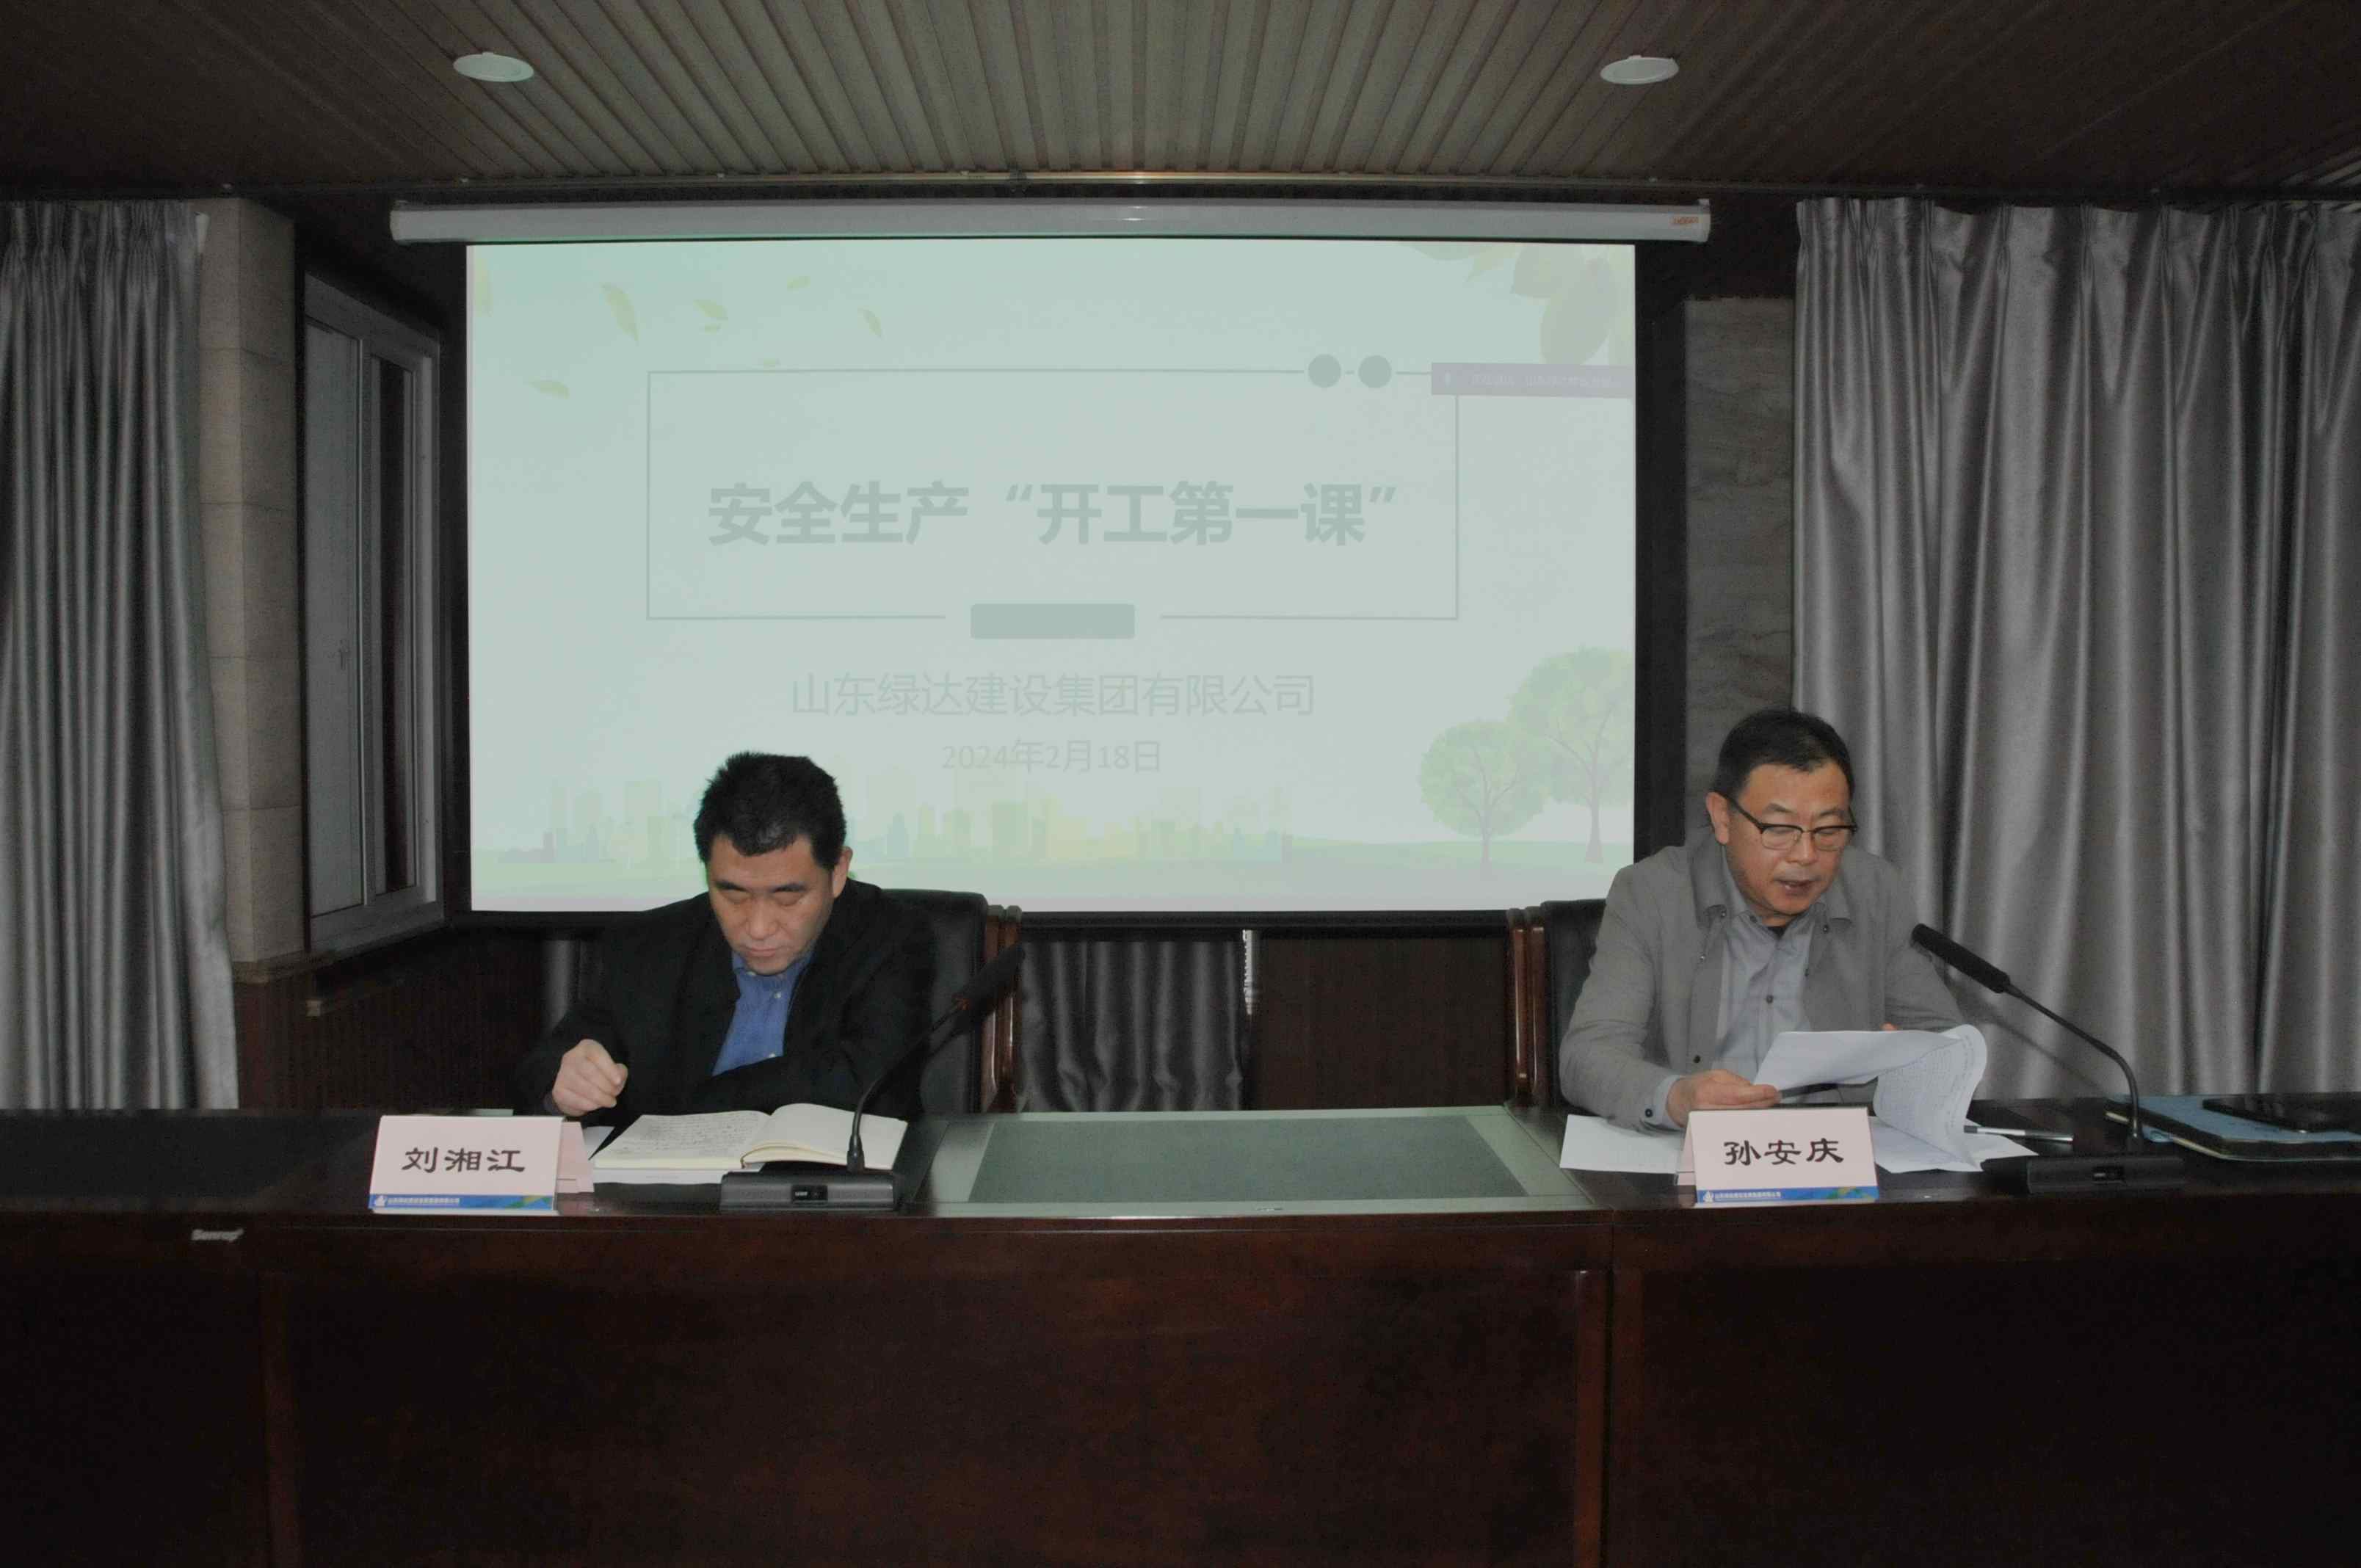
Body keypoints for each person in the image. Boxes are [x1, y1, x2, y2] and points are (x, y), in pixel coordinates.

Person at [1559, 708, 1959, 1129]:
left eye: (1828, 831)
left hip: (1834, 1154)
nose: (1805, 855)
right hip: (1694, 1152)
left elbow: (1945, 1041)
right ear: (1722, 818)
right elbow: (1588, 1056)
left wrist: (1912, 1066)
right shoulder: (1651, 894)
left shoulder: (1876, 892)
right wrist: (1676, 1097)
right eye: (1780, 829)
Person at [513, 752, 935, 1123]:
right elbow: (544, 1070)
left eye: (787, 897)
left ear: (838, 871)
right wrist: (563, 1088)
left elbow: (872, 1086)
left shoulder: (891, 936)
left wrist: (694, 1101)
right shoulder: (647, 947)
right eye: (733, 894)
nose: (758, 927)